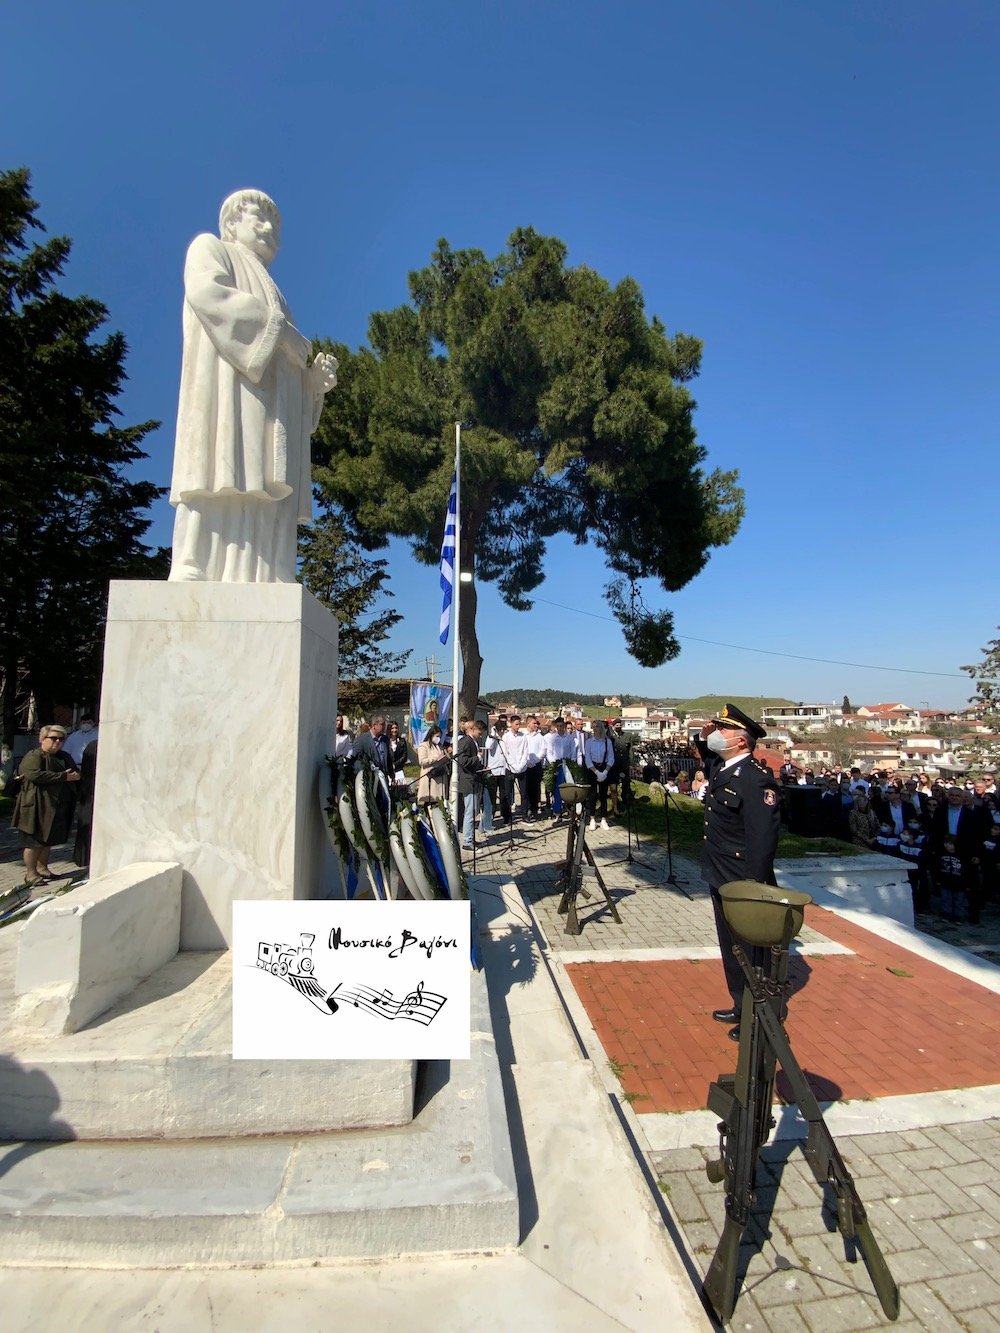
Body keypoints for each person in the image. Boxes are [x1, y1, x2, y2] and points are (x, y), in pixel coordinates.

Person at [168, 189, 338, 583]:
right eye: (259, 219)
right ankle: (193, 560)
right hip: (227, 395)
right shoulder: (210, 248)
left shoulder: (276, 291)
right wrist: (280, 334)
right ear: (231, 223)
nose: (269, 229)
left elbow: (286, 364)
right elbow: (208, 295)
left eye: (275, 224)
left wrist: (313, 384)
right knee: (215, 469)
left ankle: (266, 570)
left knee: (263, 485)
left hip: (268, 409)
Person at [695, 704, 780, 1042]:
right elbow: (708, 755)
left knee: (750, 952)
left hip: (742, 880)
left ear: (741, 742)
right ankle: (739, 1003)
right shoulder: (725, 767)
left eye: (724, 731)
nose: (718, 735)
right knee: (730, 947)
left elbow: (762, 841)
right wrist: (704, 737)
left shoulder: (756, 781)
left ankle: (758, 1014)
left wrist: (754, 888)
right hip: (719, 874)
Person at [10, 725, 81, 885]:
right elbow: (33, 774)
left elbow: (73, 772)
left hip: (57, 805)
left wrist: (75, 776)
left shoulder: (64, 756)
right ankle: (31, 874)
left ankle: (42, 868)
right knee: (34, 841)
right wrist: (63, 777)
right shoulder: (34, 755)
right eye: (53, 738)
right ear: (42, 739)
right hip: (36, 805)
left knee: (48, 840)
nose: (57, 742)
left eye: (61, 739)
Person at [456, 720, 488, 850]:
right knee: (469, 812)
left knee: (473, 811)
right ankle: (467, 841)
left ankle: (471, 838)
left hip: (475, 779)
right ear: (473, 729)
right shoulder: (466, 742)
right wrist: (477, 758)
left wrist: (483, 767)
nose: (481, 736)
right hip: (468, 780)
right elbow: (462, 761)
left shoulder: (474, 741)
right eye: (479, 733)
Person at [584, 720, 615, 831]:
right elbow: (587, 758)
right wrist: (596, 772)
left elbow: (611, 758)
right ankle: (592, 818)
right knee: (592, 795)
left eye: (597, 726)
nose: (595, 729)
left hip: (604, 768)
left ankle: (603, 819)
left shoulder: (607, 742)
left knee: (603, 795)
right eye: (593, 727)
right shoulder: (588, 742)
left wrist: (605, 772)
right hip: (592, 769)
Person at [416, 724, 450, 805]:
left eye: (440, 736)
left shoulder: (440, 746)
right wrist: (435, 758)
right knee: (431, 803)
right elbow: (422, 761)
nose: (438, 738)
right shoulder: (424, 746)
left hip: (441, 776)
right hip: (430, 779)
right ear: (431, 735)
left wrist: (447, 756)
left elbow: (444, 758)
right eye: (437, 736)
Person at [386, 721, 410, 787]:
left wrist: (395, 765)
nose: (394, 730)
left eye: (396, 728)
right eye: (392, 728)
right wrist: (390, 766)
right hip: (388, 771)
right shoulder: (385, 741)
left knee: (400, 789)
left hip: (399, 770)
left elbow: (404, 757)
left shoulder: (402, 741)